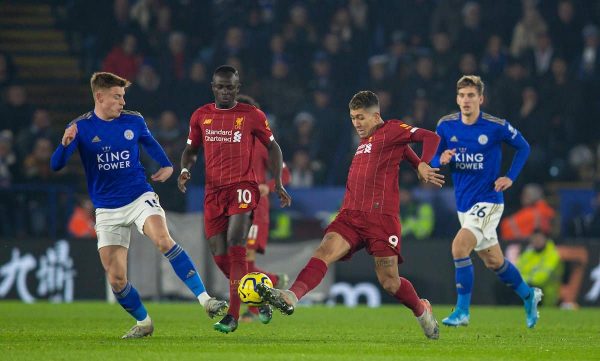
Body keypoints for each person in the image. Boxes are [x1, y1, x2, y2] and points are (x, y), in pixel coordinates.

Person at [50, 72, 228, 339]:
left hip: (139, 197)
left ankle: (205, 300)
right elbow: (56, 165)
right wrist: (64, 145)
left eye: (123, 96)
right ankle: (144, 322)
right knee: (116, 279)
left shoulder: (133, 119)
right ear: (99, 97)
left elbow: (149, 143)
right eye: (116, 96)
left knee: (163, 239)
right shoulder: (81, 127)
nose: (122, 102)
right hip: (107, 209)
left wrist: (167, 164)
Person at [256, 90, 444, 340]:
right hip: (351, 216)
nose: (356, 123)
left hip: (381, 219)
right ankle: (291, 296)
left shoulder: (393, 128)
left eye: (361, 118)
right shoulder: (368, 140)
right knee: (323, 251)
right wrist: (415, 160)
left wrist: (424, 162)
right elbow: (403, 153)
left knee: (390, 282)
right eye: (353, 118)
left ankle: (421, 310)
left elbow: (430, 136)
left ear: (376, 116)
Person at [177, 65, 291, 333]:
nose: (225, 91)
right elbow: (191, 149)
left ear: (237, 88)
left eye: (230, 87)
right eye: (220, 86)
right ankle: (259, 292)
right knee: (219, 254)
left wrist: (278, 183)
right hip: (213, 192)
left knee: (236, 243)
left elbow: (273, 147)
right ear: (213, 87)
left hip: (243, 187)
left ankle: (233, 316)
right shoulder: (201, 116)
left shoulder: (252, 115)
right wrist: (184, 169)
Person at [431, 75, 542, 328]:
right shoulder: (446, 126)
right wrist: (442, 159)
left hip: (489, 201)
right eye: (462, 96)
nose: (466, 100)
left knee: (459, 246)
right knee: (494, 262)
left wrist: (510, 177)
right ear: (457, 99)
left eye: (471, 95)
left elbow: (523, 147)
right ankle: (529, 295)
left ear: (481, 98)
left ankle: (462, 311)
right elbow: (434, 158)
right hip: (464, 205)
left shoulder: (496, 126)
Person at [236, 94, 292, 324]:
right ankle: (273, 281)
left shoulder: (263, 143)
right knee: (237, 261)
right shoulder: (227, 142)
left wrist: (268, 187)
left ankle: (253, 310)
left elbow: (285, 175)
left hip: (255, 208)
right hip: (235, 207)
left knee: (245, 259)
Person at [517, 229, 563, 306]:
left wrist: (523, 281)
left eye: (539, 238)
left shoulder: (553, 254)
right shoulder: (528, 254)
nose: (537, 241)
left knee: (532, 289)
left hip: (547, 292)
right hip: (528, 286)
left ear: (546, 239)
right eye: (534, 238)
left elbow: (541, 278)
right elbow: (517, 271)